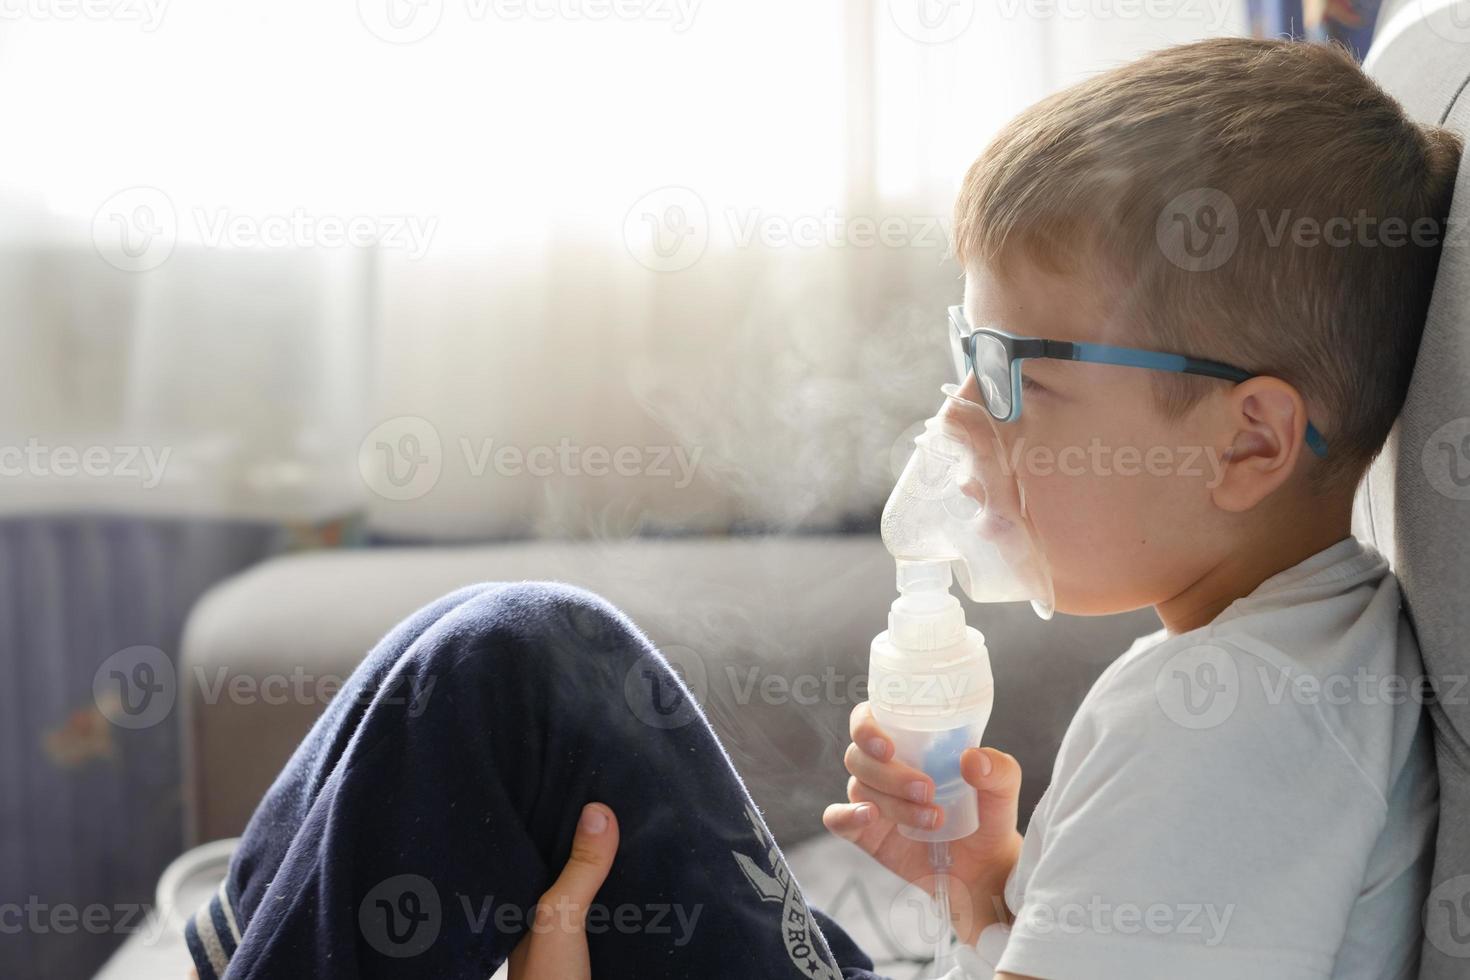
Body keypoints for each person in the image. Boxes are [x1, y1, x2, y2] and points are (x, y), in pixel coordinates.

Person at [187, 36, 1460, 979]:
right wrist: (989, 892)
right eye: (969, 352)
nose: (959, 418)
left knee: (513, 667)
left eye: (1017, 371)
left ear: (1248, 440)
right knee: (509, 661)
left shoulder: (1231, 725)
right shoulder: (1288, 656)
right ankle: (263, 934)